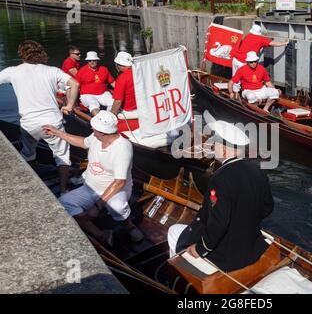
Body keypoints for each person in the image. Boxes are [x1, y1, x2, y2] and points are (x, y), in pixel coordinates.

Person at [167, 120, 274, 272]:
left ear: (223, 150)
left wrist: (200, 249)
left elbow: (219, 223)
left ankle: (182, 276)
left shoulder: (220, 178)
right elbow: (267, 207)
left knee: (173, 231)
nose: (211, 146)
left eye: (214, 143)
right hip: (251, 248)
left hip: (227, 257)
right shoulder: (258, 171)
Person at [42, 110, 144, 246]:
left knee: (118, 206)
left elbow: (120, 182)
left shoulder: (122, 147)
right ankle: (101, 234)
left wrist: (98, 205)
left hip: (115, 191)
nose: (91, 129)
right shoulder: (96, 137)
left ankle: (129, 225)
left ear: (102, 132)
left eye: (94, 128)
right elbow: (83, 142)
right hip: (90, 188)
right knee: (63, 203)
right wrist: (57, 133)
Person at [0, 40, 79, 193]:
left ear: (21, 54)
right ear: (40, 53)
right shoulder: (52, 71)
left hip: (29, 124)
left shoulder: (12, 71)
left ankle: (30, 185)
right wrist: (69, 106)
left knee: (27, 153)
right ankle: (63, 190)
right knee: (61, 156)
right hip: (52, 122)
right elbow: (74, 84)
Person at [76, 51, 115, 116]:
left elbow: (113, 82)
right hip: (87, 94)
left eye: (94, 60)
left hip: (103, 93)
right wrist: (75, 102)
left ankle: (109, 119)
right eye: (89, 60)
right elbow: (76, 86)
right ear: (87, 61)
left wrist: (120, 93)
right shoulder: (81, 71)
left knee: (113, 102)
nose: (92, 62)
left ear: (97, 60)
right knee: (93, 105)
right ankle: (99, 122)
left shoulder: (103, 69)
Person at [111, 51, 137, 117]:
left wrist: (111, 115)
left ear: (119, 65)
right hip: (143, 108)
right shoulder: (139, 72)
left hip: (128, 112)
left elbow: (118, 101)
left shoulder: (122, 78)